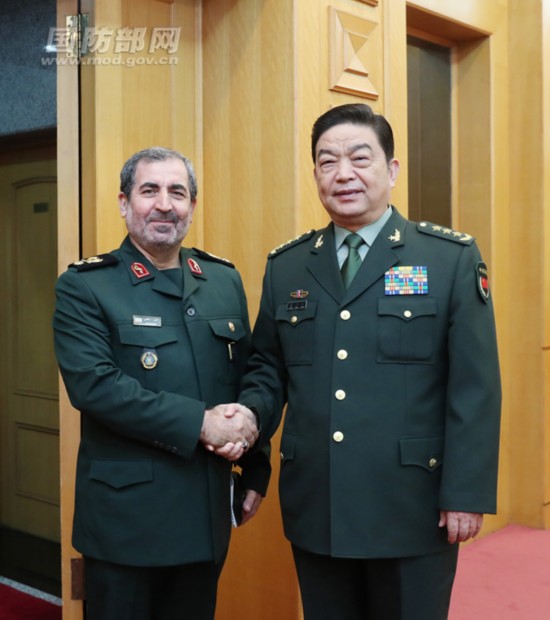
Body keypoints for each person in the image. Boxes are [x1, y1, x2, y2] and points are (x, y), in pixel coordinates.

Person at [238, 103, 501, 620]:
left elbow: (474, 386)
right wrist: (247, 423)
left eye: (360, 158)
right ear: (316, 173)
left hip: (411, 504)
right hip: (318, 502)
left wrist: (466, 493)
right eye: (327, 161)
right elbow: (268, 369)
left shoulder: (448, 258)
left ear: (392, 170)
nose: (343, 174)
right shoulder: (288, 265)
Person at [53, 147, 270, 620]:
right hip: (126, 524)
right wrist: (202, 424)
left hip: (205, 516)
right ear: (124, 202)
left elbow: (247, 374)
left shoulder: (222, 280)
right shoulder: (85, 286)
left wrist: (255, 465)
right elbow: (96, 387)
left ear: (192, 204)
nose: (165, 204)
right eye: (149, 190)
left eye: (178, 192)